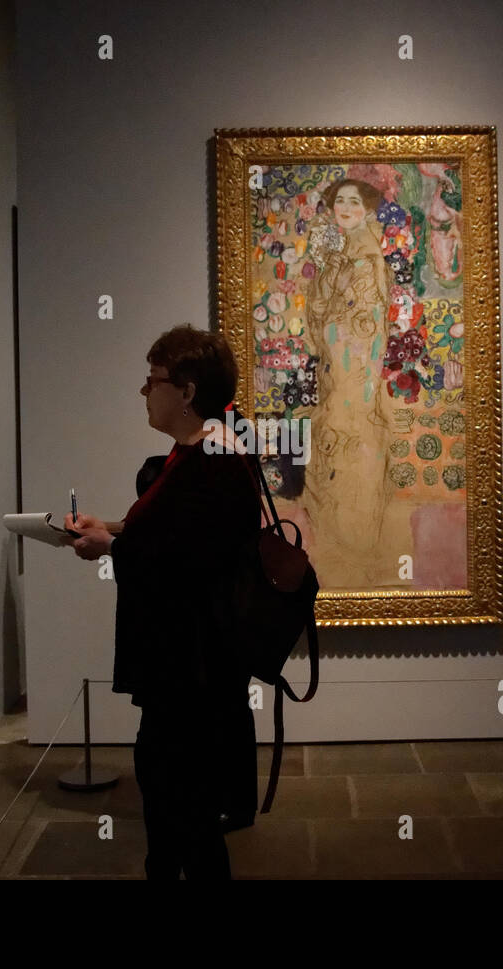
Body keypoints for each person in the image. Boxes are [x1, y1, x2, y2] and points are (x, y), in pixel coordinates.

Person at [63, 325, 260, 879]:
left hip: (193, 672)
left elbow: (195, 567)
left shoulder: (214, 462)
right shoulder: (194, 454)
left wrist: (112, 547)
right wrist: (115, 528)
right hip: (183, 669)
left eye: (153, 381)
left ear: (188, 391)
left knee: (185, 807)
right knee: (172, 800)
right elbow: (171, 535)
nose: (144, 392)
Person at [301, 178, 397, 587]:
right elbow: (320, 311)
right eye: (339, 201)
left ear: (368, 209)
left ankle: (357, 540)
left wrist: (356, 370)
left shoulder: (367, 258)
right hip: (335, 364)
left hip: (355, 368)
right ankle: (341, 537)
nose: (344, 207)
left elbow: (368, 325)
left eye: (353, 201)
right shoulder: (338, 254)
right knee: (336, 437)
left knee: (354, 438)